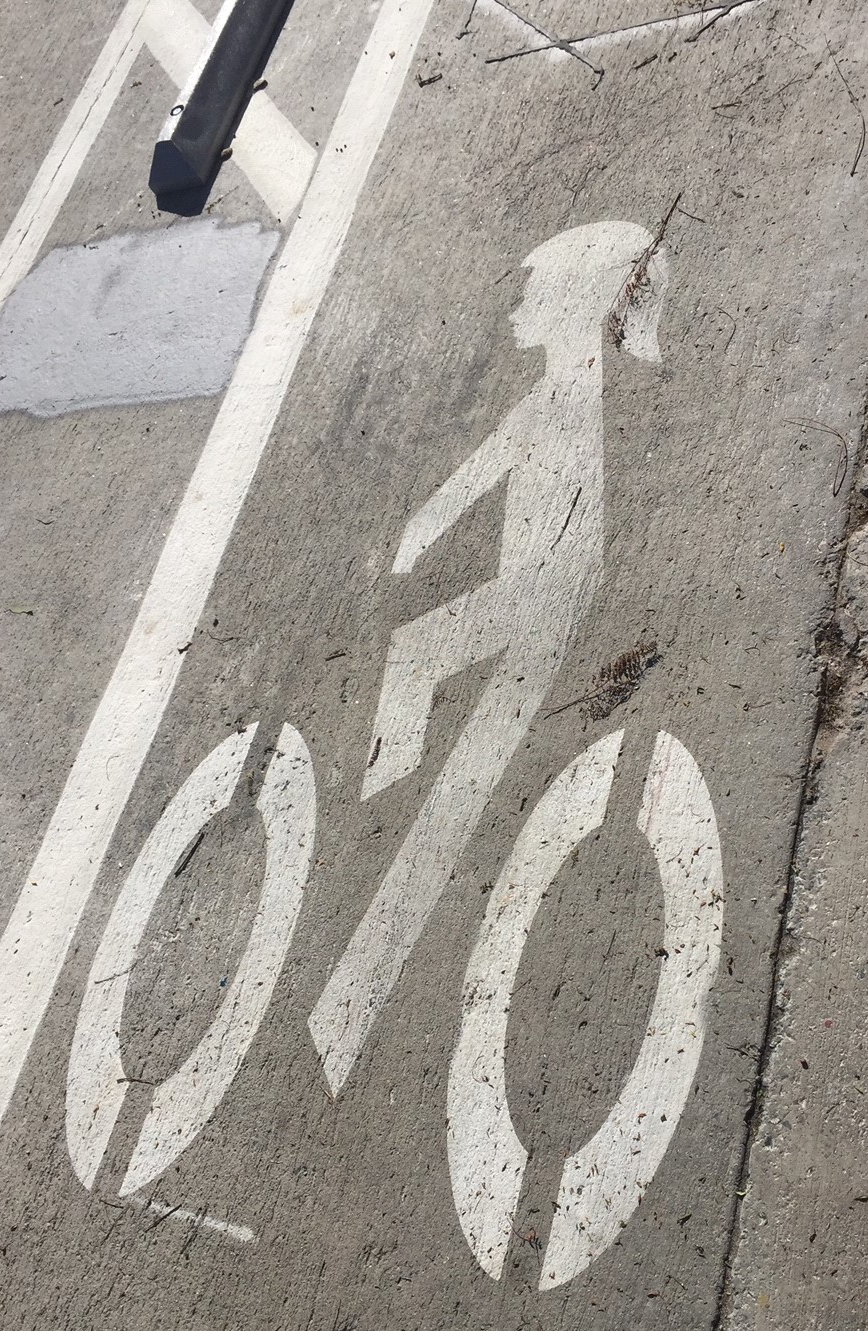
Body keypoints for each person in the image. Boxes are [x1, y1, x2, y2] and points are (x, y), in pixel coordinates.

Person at [309, 220, 669, 1094]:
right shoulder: (550, 392)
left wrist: (436, 553)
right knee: (455, 780)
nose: (517, 306)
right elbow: (482, 470)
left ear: (579, 307)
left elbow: (558, 522)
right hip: (532, 598)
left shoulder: (569, 395)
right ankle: (354, 993)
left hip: (541, 597)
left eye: (533, 292)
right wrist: (421, 530)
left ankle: (378, 809)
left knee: (425, 675)